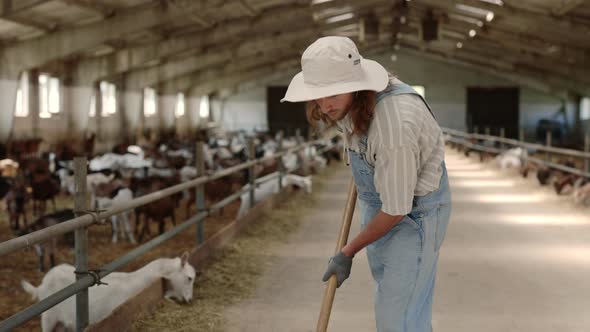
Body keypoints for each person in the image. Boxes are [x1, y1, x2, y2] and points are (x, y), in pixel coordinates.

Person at [281, 36, 451, 332]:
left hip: (412, 218)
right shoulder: (350, 104)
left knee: (398, 322)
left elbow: (397, 208)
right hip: (382, 210)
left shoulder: (393, 125)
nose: (324, 104)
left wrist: (347, 252)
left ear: (355, 84)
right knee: (401, 310)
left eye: (332, 93)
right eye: (317, 95)